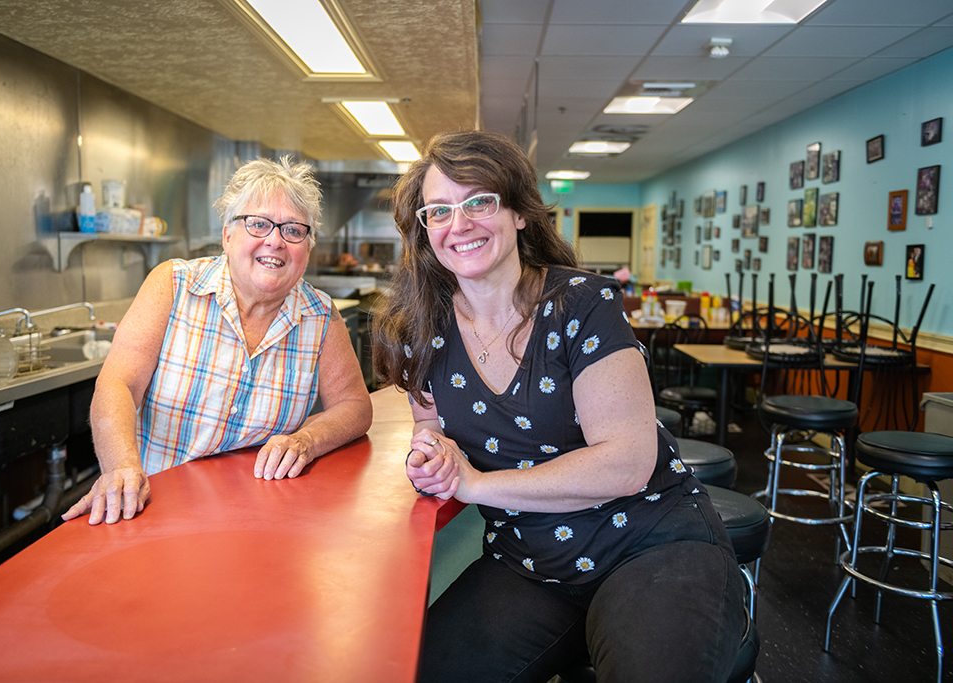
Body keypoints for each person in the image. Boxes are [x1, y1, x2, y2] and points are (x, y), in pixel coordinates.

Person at [373, 130, 745, 682]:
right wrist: (432, 451)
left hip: (649, 544)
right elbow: (429, 423)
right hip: (528, 561)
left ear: (520, 213)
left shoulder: (582, 305)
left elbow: (626, 462)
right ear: (426, 231)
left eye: (479, 201)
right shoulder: (420, 326)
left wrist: (474, 486)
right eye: (440, 210)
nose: (461, 223)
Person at [64, 157, 373, 525]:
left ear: (307, 247)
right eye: (258, 224)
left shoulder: (321, 316)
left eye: (293, 230)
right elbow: (118, 383)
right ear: (228, 235)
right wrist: (120, 468)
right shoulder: (174, 285)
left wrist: (305, 440)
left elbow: (354, 405)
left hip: (258, 517)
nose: (274, 241)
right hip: (153, 508)